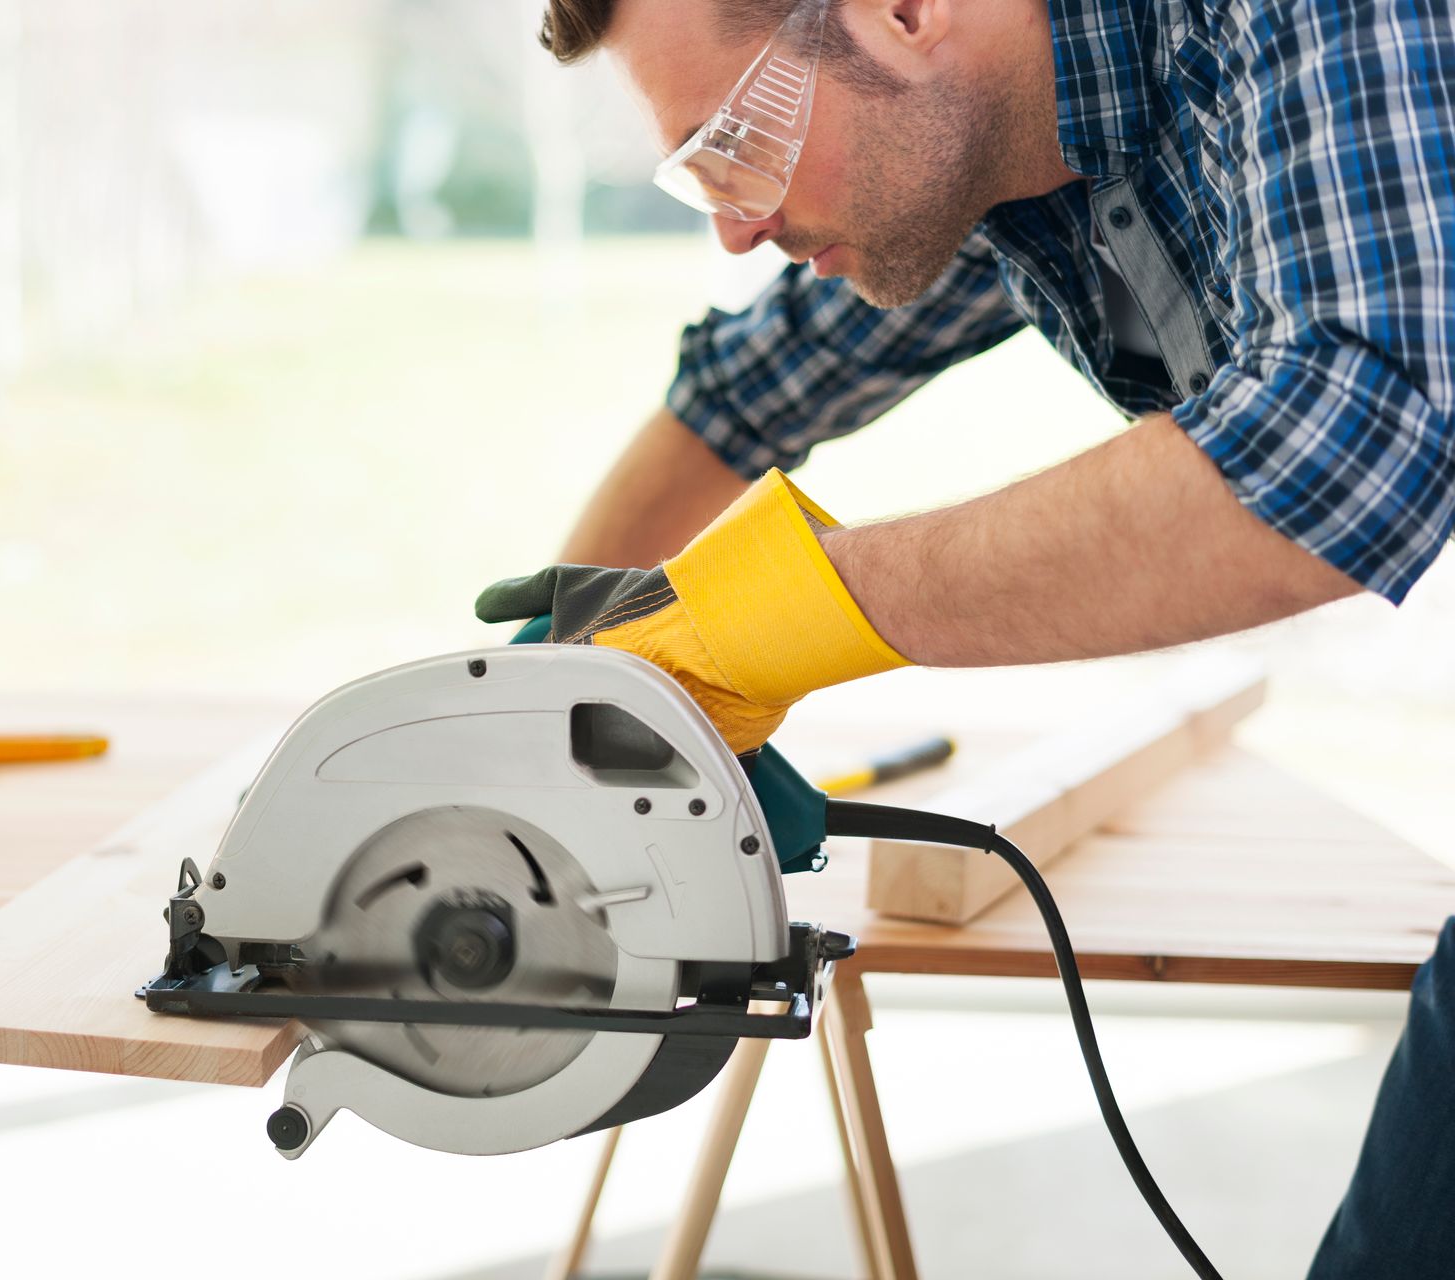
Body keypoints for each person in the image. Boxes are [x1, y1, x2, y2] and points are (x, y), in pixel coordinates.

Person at [474, 1, 1455, 1275]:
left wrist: (764, 624)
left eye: (735, 144)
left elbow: (1345, 440)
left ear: (905, 10)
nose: (734, 225)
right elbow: (738, 401)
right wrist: (549, 703)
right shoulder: (1001, 151)